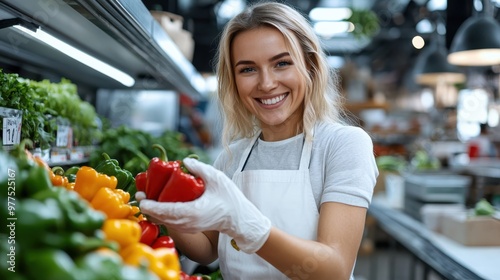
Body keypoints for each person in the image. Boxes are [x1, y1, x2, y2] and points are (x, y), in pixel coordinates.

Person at [137, 2, 379, 279]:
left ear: (310, 66)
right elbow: (208, 250)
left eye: (282, 64)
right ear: (234, 81)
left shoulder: (343, 145)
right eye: (248, 70)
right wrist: (170, 215)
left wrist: (248, 227)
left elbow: (333, 269)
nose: (266, 83)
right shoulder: (233, 157)